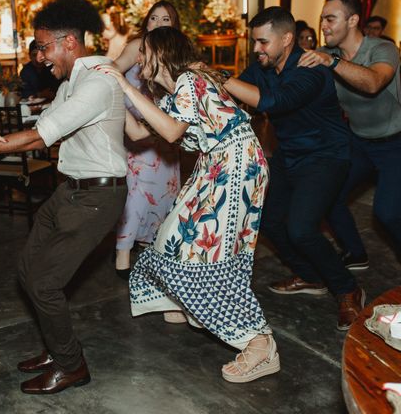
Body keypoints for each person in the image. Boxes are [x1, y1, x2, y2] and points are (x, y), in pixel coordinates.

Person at [0, 0, 128, 395]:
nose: (39, 56)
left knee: (45, 283)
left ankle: (72, 367)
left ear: (69, 43)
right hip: (70, 189)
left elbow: (37, 136)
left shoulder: (99, 81)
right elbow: (42, 121)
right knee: (28, 270)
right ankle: (58, 347)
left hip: (97, 197)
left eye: (44, 46)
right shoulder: (72, 82)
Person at [98, 27, 279, 382]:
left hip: (235, 163)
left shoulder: (190, 80)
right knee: (171, 240)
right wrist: (111, 94)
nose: (137, 59)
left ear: (161, 53)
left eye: (142, 52)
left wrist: (122, 84)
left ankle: (260, 344)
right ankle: (190, 302)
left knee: (210, 253)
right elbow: (138, 132)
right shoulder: (172, 95)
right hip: (216, 164)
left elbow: (170, 132)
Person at [224, 6, 364, 331]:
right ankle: (311, 275)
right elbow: (236, 91)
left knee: (301, 227)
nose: (256, 49)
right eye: (255, 42)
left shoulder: (309, 68)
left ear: (286, 39)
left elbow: (274, 103)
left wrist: (224, 80)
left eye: (263, 42)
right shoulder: (263, 65)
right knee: (270, 221)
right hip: (290, 155)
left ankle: (347, 289)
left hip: (326, 156)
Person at [299, 0, 401, 270]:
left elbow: (373, 83)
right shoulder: (328, 54)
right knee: (327, 196)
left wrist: (330, 62)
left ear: (353, 20)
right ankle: (355, 252)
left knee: (389, 212)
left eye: (330, 19)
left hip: (396, 142)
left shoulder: (382, 49)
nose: (323, 25)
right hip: (358, 141)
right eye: (322, 19)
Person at [111, 1, 181, 288]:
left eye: (166, 18)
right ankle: (122, 254)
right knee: (136, 196)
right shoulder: (136, 46)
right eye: (154, 18)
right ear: (147, 22)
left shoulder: (176, 53)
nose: (159, 23)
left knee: (165, 196)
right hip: (137, 134)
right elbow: (110, 74)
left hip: (166, 133)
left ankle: (153, 245)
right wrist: (123, 113)